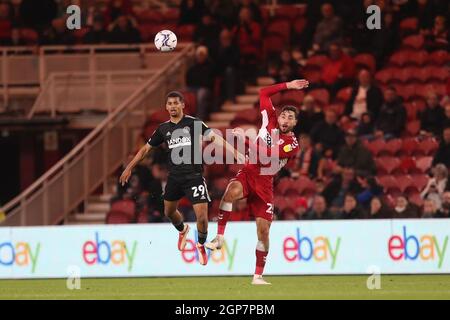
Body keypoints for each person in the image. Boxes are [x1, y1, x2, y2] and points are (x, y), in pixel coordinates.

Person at [119, 91, 243, 266]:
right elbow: (146, 149)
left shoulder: (193, 123)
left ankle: (200, 245)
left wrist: (235, 153)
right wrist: (129, 167)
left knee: (202, 217)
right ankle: (182, 229)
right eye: (169, 104)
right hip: (175, 178)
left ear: (183, 105)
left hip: (194, 177)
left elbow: (215, 138)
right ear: (166, 107)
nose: (173, 106)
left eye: (176, 103)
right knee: (168, 212)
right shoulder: (163, 129)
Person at [206, 79, 309, 285]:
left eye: (291, 118)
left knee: (263, 232)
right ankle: (219, 237)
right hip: (249, 171)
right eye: (283, 115)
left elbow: (268, 155)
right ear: (278, 117)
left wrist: (244, 140)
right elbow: (264, 92)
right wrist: (288, 85)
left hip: (265, 183)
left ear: (295, 123)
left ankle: (258, 276)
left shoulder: (293, 144)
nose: (286, 119)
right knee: (229, 192)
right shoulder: (269, 118)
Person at [186, 46, 215, 119]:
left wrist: (199, 82)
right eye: (199, 55)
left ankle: (199, 119)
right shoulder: (193, 68)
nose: (200, 57)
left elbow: (209, 81)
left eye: (202, 55)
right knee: (179, 94)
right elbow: (188, 79)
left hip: (205, 88)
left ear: (206, 56)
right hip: (193, 87)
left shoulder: (210, 66)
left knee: (201, 94)